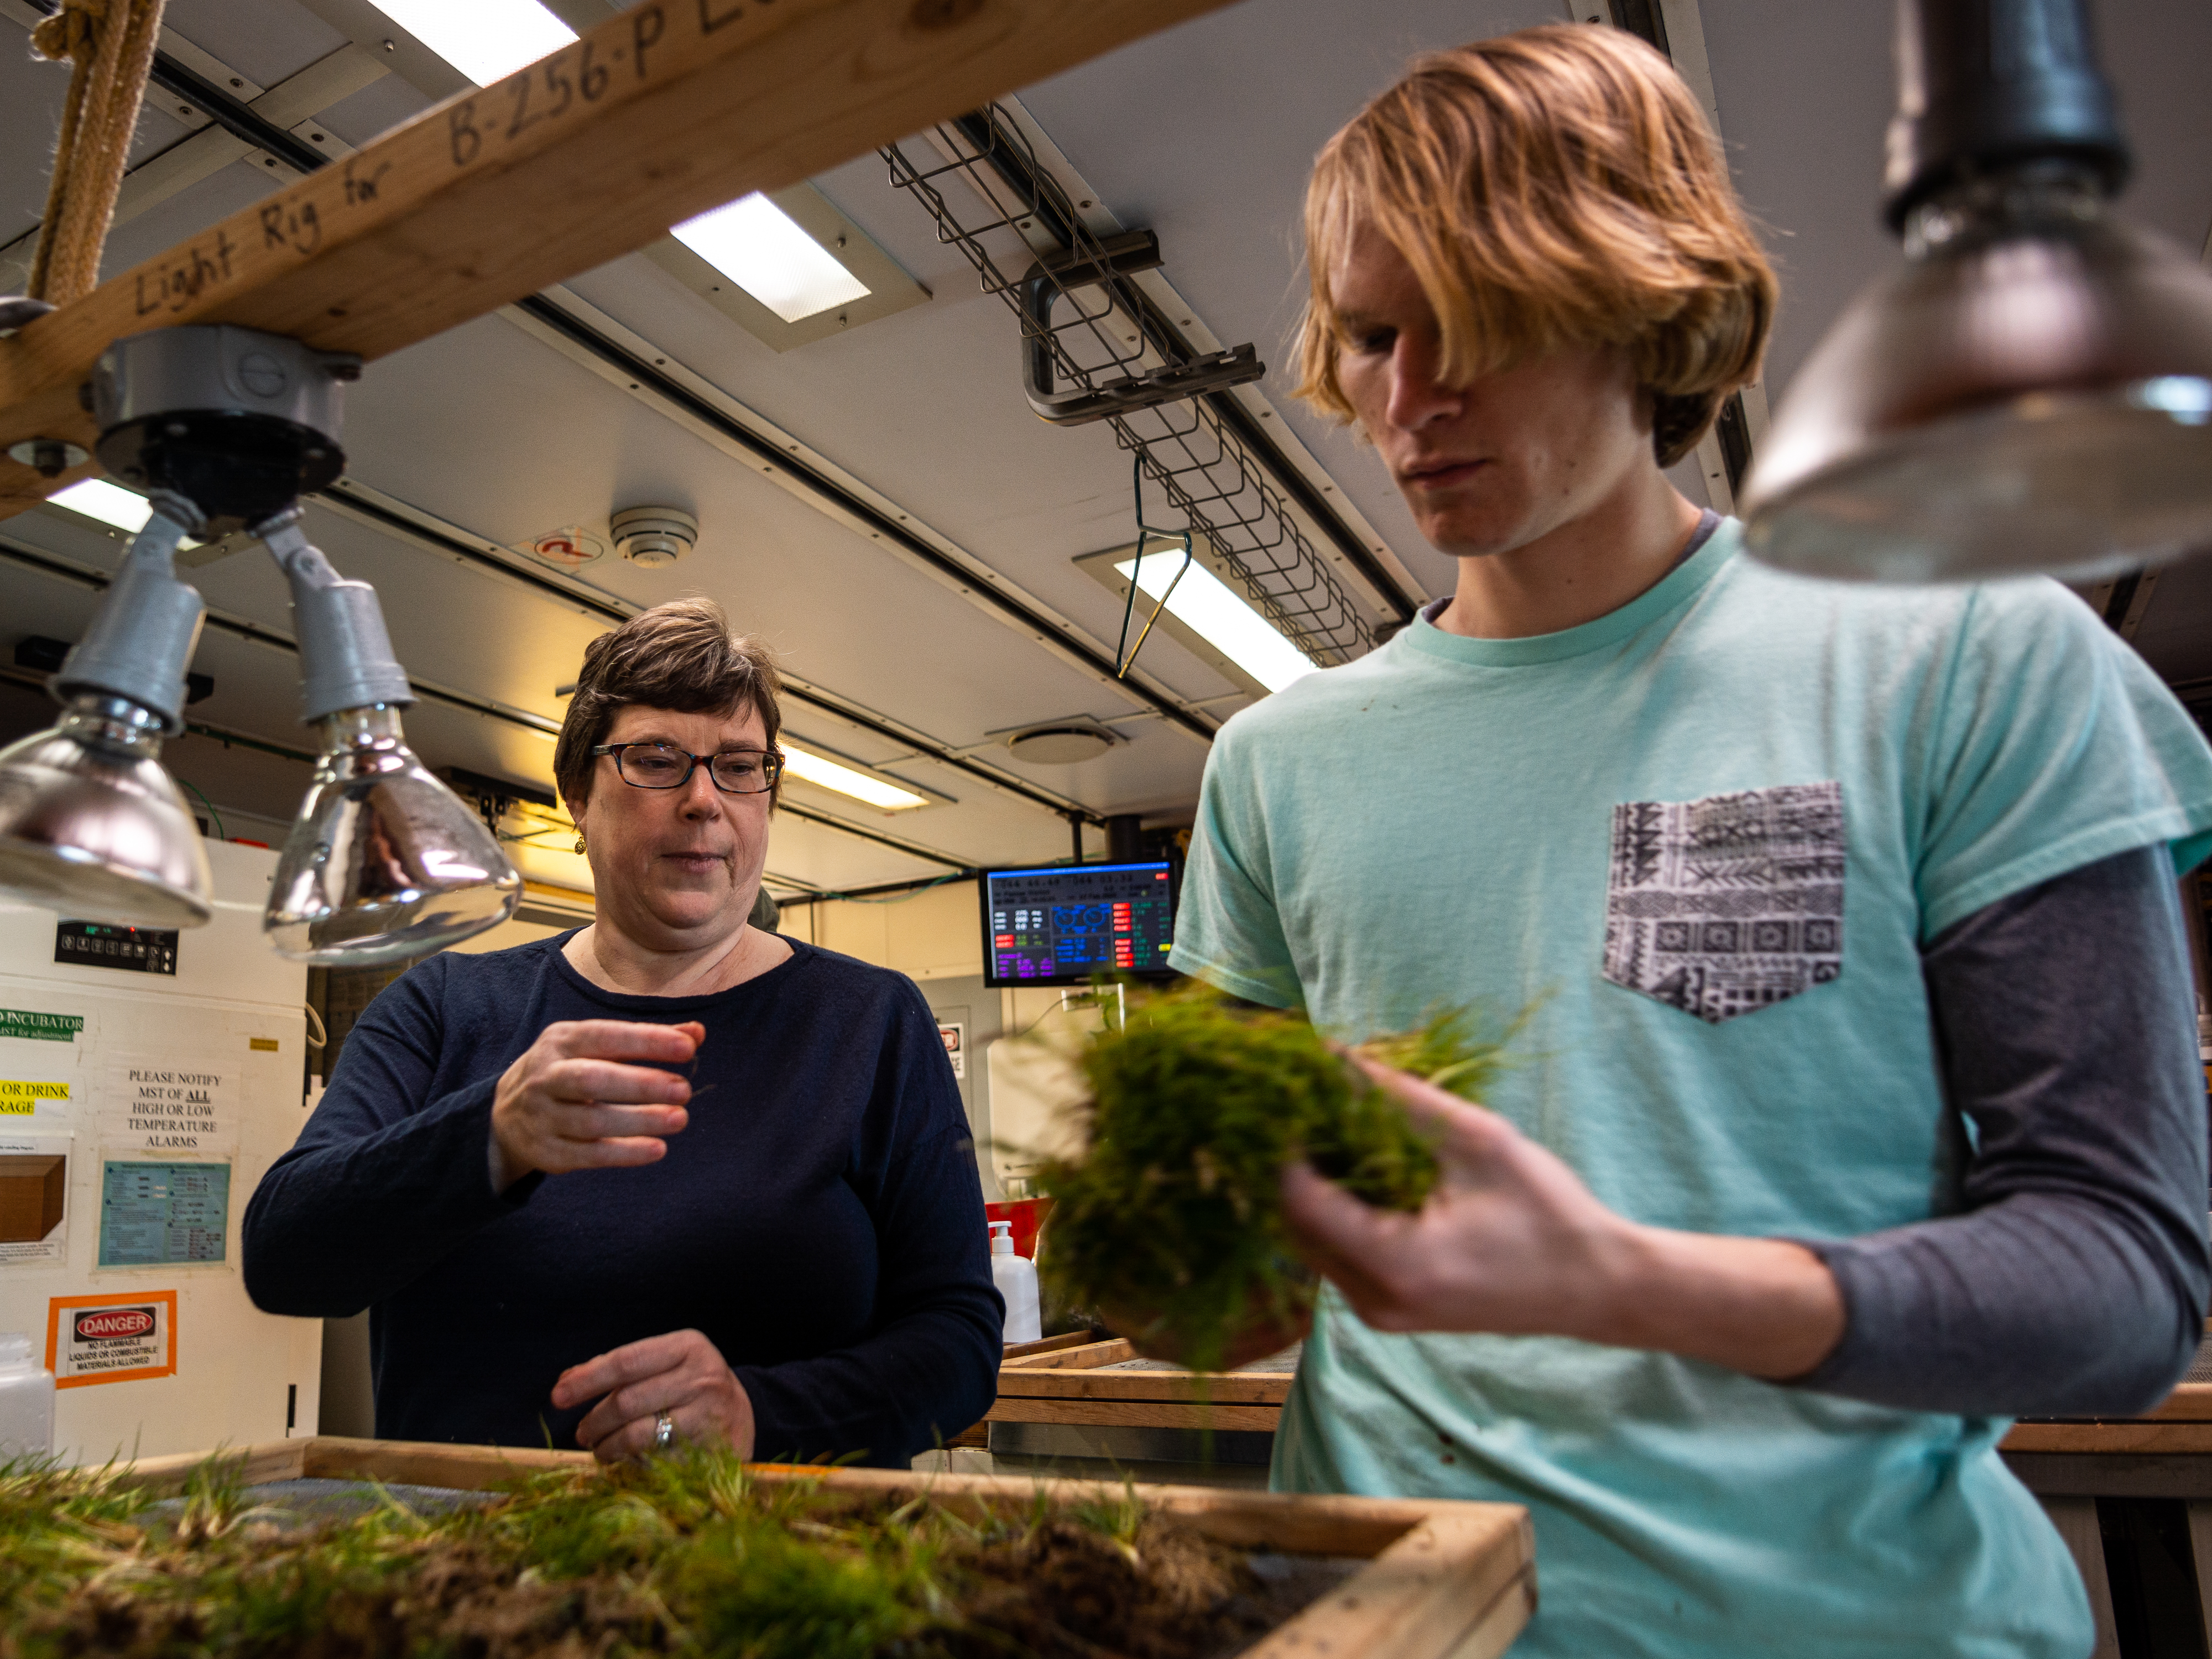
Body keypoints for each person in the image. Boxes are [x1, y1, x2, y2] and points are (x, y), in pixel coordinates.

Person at [1167, 25, 2212, 1657]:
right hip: (1400, 1619)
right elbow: (1219, 1297)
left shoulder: (1960, 654)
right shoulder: (1277, 764)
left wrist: (1616, 1280)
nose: (1412, 395)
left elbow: (2120, 1285)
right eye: (1373, 334)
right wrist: (1174, 1255)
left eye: (1481, 324)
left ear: (1646, 309)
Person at [245, 598, 1000, 1466]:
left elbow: (960, 1342)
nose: (704, 801)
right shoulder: (446, 1007)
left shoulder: (871, 1023)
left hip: (794, 1571)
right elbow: (285, 1259)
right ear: (577, 797)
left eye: (741, 766)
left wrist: (761, 1415)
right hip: (475, 1571)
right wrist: (490, 1134)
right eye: (657, 761)